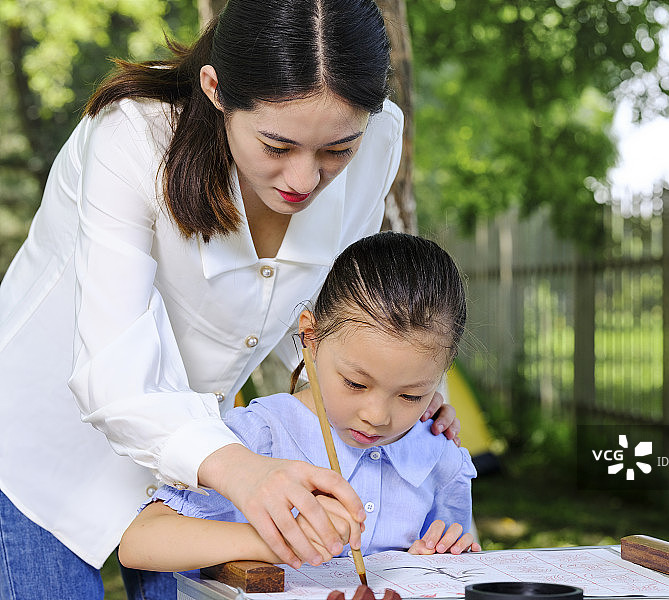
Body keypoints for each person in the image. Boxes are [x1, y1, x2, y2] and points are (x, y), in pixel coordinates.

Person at [0, 2, 459, 599]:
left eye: (335, 151)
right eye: (276, 144)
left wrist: (411, 388)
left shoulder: (377, 142)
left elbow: (348, 308)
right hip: (44, 448)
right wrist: (245, 472)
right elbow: (114, 371)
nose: (303, 179)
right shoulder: (134, 137)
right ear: (216, 89)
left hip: (202, 461)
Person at [118, 232, 480, 573]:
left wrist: (436, 560)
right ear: (311, 336)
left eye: (410, 395)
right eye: (355, 383)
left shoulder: (442, 457)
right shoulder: (264, 435)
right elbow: (139, 542)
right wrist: (275, 541)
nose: (376, 416)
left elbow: (449, 563)